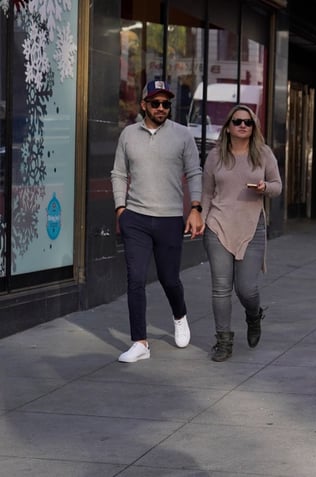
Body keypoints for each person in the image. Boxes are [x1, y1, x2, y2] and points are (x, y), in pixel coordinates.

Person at [111, 80, 204, 363]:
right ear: (144, 105)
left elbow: (195, 172)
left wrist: (196, 208)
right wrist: (120, 209)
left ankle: (179, 315)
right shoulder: (128, 135)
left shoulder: (183, 135)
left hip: (169, 218)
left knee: (169, 279)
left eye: (166, 104)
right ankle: (140, 342)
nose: (161, 108)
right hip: (136, 218)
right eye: (156, 103)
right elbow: (118, 173)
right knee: (136, 279)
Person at [200, 105, 282, 362]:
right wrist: (200, 220)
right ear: (228, 126)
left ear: (254, 127)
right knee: (221, 288)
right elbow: (206, 193)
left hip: (251, 226)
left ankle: (254, 314)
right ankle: (223, 340)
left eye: (248, 122)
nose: (243, 125)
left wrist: (265, 187)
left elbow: (278, 186)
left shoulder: (263, 154)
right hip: (218, 225)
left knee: (246, 289)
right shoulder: (215, 156)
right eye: (237, 121)